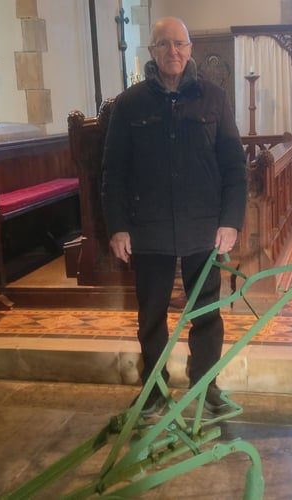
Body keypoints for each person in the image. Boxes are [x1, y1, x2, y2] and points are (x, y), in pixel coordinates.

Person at [101, 17, 247, 416]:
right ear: (151, 52)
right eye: (163, 44)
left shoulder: (214, 98)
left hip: (204, 226)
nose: (173, 51)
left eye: (179, 43)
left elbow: (234, 165)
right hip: (149, 228)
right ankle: (153, 387)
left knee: (205, 312)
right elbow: (113, 171)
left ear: (190, 47)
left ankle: (206, 383)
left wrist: (231, 220)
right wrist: (117, 227)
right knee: (151, 314)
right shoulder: (130, 103)